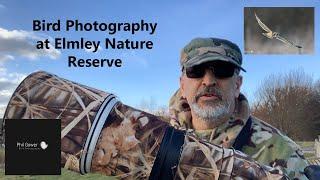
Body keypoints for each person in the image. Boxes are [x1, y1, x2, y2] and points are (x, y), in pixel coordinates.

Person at [169, 37, 309, 179]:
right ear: (182, 86)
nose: (209, 81)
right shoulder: (154, 140)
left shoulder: (282, 151)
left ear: (237, 85)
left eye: (223, 70)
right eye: (196, 70)